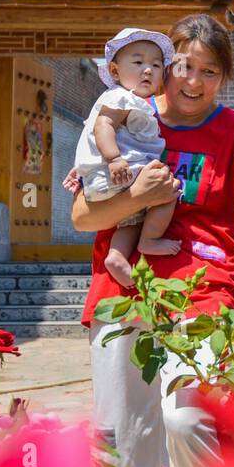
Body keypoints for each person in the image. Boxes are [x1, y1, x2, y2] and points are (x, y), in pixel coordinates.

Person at [72, 13, 234, 467]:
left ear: (224, 77)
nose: (194, 81)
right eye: (183, 67)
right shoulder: (125, 116)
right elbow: (82, 217)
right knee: (123, 444)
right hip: (123, 291)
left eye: (210, 72)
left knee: (187, 421)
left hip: (203, 293)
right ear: (164, 66)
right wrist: (138, 196)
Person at [73, 28, 180, 286]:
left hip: (107, 181)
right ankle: (150, 240)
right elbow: (103, 126)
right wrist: (114, 159)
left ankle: (117, 256)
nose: (148, 70)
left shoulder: (130, 100)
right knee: (170, 188)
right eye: (138, 62)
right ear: (114, 71)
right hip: (120, 173)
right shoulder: (121, 96)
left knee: (131, 220)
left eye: (156, 65)